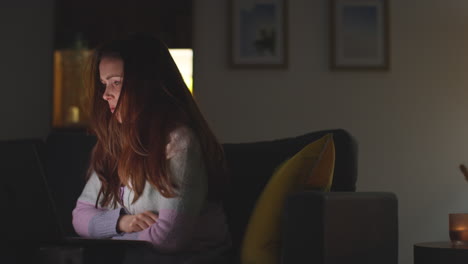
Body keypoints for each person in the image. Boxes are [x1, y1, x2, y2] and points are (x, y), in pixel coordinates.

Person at [72, 34, 231, 262]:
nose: (106, 94)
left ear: (146, 84)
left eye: (116, 82)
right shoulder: (116, 143)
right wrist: (121, 223)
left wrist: (103, 241)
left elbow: (168, 239)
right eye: (104, 83)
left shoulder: (179, 143)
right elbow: (79, 216)